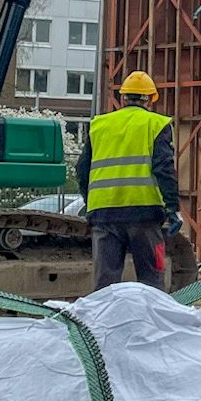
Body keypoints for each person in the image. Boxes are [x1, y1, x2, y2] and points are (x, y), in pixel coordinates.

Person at [74, 70, 181, 290]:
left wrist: (90, 201)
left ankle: (103, 313)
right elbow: (164, 169)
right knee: (151, 282)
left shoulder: (99, 125)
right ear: (150, 100)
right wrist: (172, 208)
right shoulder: (156, 124)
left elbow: (82, 169)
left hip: (104, 214)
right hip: (145, 214)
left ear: (123, 98)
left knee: (105, 285)